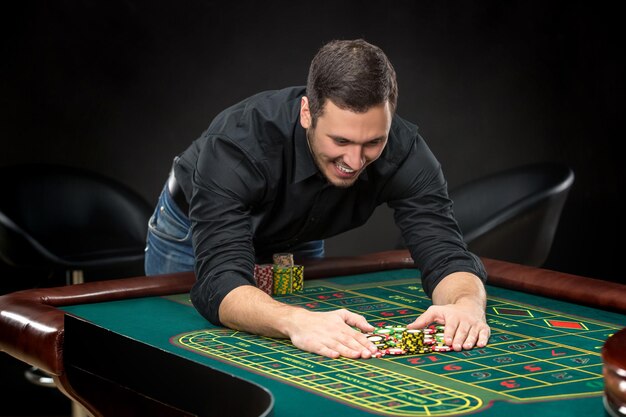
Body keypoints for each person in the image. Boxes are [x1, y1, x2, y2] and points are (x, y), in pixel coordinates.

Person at [145, 38, 490, 359]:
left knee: (297, 346)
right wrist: (296, 321)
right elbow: (219, 283)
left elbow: (445, 254)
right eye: (340, 141)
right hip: (192, 229)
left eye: (372, 142)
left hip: (298, 233)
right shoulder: (238, 143)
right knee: (181, 356)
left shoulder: (405, 151)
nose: (355, 162)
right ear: (307, 112)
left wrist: (466, 303)